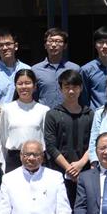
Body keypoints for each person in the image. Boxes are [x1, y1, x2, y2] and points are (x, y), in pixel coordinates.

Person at [44, 69, 93, 200]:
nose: (71, 91)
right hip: (59, 171)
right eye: (67, 87)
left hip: (86, 171)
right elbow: (50, 146)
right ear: (61, 89)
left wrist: (81, 163)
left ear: (81, 88)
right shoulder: (52, 115)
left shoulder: (89, 114)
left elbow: (94, 142)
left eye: (75, 87)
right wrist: (69, 168)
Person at [0, 69, 48, 171]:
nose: (24, 87)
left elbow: (46, 139)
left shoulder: (43, 110)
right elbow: (3, 138)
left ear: (35, 86)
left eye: (28, 83)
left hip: (36, 158)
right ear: (15, 86)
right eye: (20, 84)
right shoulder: (7, 109)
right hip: (13, 158)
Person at [33, 27, 81, 109]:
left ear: (65, 46)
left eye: (58, 41)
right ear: (45, 45)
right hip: (45, 116)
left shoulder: (75, 69)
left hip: (69, 115)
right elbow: (33, 96)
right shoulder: (35, 70)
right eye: (50, 41)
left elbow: (80, 95)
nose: (54, 45)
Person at [0, 27, 30, 104]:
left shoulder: (27, 70)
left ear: (16, 46)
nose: (5, 48)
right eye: (1, 45)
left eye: (8, 44)